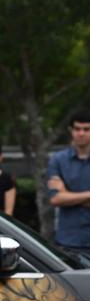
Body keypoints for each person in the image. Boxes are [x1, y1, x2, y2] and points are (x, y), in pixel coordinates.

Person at [48, 109, 90, 258]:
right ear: (71, 131)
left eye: (86, 129)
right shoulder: (58, 160)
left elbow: (63, 197)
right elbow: (55, 199)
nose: (81, 133)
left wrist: (67, 193)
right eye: (77, 129)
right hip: (68, 241)